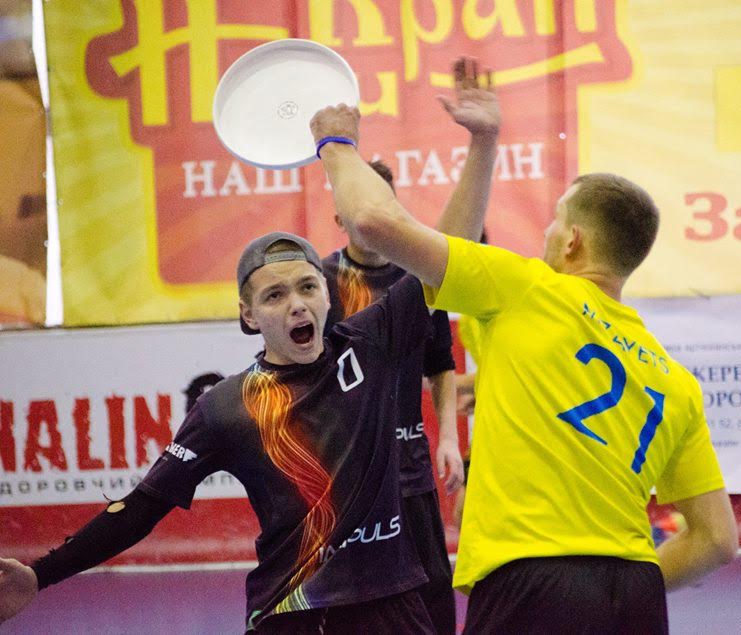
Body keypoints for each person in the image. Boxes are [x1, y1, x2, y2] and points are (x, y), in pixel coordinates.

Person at [0, 58, 495, 634]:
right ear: (248, 315)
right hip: (292, 613)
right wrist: (42, 574)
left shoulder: (372, 343)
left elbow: (449, 251)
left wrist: (483, 143)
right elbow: (140, 508)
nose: (297, 305)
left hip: (392, 607)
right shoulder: (227, 408)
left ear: (329, 295)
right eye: (274, 295)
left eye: (307, 287)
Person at [309, 103, 739, 633]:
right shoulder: (675, 380)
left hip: (532, 584)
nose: (547, 233)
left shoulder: (527, 288)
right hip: (637, 595)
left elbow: (375, 222)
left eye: (555, 220)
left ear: (572, 240)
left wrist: (336, 144)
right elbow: (718, 540)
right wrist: (625, 589)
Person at [319, 62, 499, 633]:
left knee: (431, 595)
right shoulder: (315, 285)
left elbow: (440, 363)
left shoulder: (413, 281)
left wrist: (446, 438)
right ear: (340, 216)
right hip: (345, 475)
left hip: (410, 466)